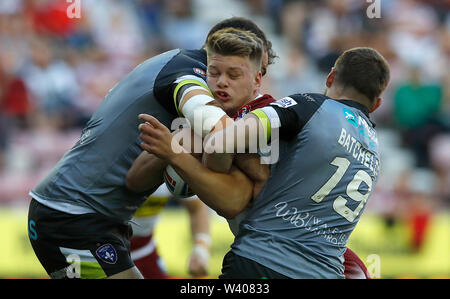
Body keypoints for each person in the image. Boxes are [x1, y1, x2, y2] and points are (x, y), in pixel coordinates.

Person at [26, 17, 265, 279]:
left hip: (98, 218)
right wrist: (264, 172)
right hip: (70, 214)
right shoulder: (187, 72)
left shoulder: (185, 75)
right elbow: (216, 127)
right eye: (250, 69)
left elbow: (135, 181)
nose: (257, 86)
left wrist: (175, 154)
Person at [139, 46, 390, 278]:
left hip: (262, 259)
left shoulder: (311, 106)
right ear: (376, 104)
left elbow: (224, 140)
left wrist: (179, 150)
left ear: (330, 78)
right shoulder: (375, 151)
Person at [126, 17, 277, 279]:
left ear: (257, 77)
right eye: (215, 72)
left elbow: (236, 200)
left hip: (286, 255)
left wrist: (179, 153)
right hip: (256, 252)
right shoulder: (194, 110)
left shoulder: (265, 117)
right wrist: (177, 147)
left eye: (235, 73)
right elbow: (134, 181)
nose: (222, 82)